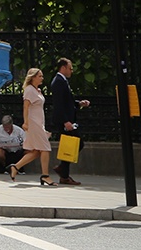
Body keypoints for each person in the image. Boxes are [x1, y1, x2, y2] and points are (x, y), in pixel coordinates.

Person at [8, 68, 54, 186]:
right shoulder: (29, 90)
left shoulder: (37, 90)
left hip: (39, 123)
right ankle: (45, 175)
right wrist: (26, 122)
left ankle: (15, 167)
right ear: (33, 77)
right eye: (40, 76)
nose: (42, 78)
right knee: (45, 148)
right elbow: (26, 107)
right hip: (34, 123)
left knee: (36, 151)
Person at [49, 57, 89, 185]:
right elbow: (59, 104)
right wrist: (66, 121)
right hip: (64, 120)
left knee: (71, 145)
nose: (71, 71)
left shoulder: (62, 81)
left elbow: (67, 102)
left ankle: (64, 174)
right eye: (70, 68)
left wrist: (79, 104)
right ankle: (62, 170)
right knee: (77, 143)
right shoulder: (59, 81)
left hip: (67, 119)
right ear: (63, 67)